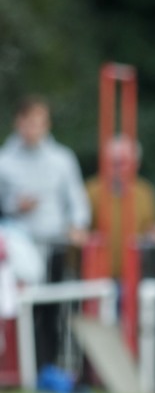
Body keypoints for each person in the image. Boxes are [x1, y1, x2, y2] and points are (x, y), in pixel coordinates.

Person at [0, 95, 91, 368]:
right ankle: (24, 367)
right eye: (28, 123)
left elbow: (77, 201)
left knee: (53, 310)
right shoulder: (4, 160)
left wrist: (78, 226)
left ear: (47, 125)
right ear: (19, 123)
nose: (33, 129)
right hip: (19, 251)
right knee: (22, 310)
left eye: (38, 123)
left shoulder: (62, 159)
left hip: (54, 247)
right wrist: (15, 206)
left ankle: (48, 367)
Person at [85, 134, 155, 278]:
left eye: (123, 163)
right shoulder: (91, 191)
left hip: (135, 275)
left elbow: (153, 225)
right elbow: (80, 231)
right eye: (113, 163)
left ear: (136, 164)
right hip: (98, 275)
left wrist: (154, 234)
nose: (118, 169)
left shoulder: (145, 191)